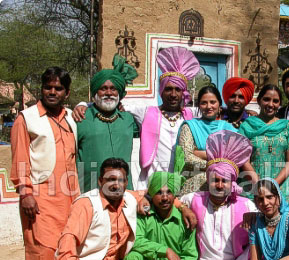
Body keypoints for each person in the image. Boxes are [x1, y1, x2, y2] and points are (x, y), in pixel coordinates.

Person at [73, 47, 200, 189]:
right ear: (161, 91)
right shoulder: (146, 113)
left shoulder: (192, 115)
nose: (173, 94)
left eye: (178, 90)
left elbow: (212, 110)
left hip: (182, 182)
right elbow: (111, 102)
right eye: (168, 89)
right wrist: (83, 104)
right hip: (152, 185)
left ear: (183, 93)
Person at [10, 67, 79, 260]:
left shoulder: (71, 118)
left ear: (66, 92)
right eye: (48, 87)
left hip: (69, 195)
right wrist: (25, 193)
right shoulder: (26, 119)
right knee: (41, 250)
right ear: (41, 89)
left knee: (65, 248)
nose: (52, 92)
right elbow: (19, 159)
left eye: (58, 88)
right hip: (39, 196)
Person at [180, 130, 256, 260]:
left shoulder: (245, 204)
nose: (220, 184)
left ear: (232, 183)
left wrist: (255, 219)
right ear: (209, 181)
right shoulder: (195, 199)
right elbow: (171, 200)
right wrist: (183, 209)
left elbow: (271, 216)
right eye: (215, 180)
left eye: (224, 180)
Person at [76, 54, 138, 192]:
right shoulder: (80, 119)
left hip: (124, 191)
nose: (109, 93)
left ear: (119, 93)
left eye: (113, 89)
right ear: (95, 92)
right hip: (90, 191)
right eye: (103, 88)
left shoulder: (128, 119)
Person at [239, 84, 289, 206]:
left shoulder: (287, 126)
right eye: (266, 99)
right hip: (253, 186)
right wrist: (260, 185)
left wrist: (274, 185)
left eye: (275, 101)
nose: (271, 104)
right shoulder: (247, 126)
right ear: (259, 100)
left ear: (280, 104)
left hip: (282, 187)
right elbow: (243, 159)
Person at [176, 86, 239, 195]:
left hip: (222, 187)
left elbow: (235, 158)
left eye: (213, 102)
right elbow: (186, 157)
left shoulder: (229, 129)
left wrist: (200, 153)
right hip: (195, 187)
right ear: (199, 106)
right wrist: (218, 164)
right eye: (204, 103)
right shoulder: (190, 126)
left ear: (219, 104)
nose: (209, 106)